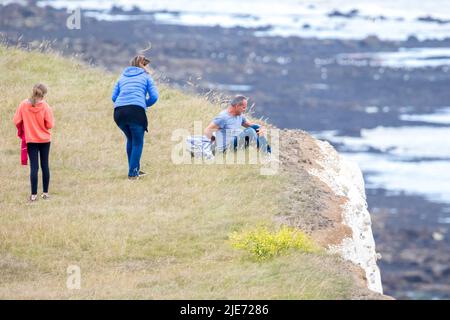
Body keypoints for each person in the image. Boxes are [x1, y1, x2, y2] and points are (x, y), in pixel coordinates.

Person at [112, 55, 158, 180]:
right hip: (136, 111)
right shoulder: (146, 77)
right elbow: (154, 97)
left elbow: (113, 97)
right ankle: (133, 174)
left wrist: (123, 103)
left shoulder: (122, 77)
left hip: (119, 112)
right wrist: (143, 104)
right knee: (138, 142)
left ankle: (134, 169)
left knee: (130, 140)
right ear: (143, 65)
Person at [13, 83, 54, 202]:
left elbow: (16, 120)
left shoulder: (23, 105)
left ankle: (33, 195)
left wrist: (26, 126)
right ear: (44, 94)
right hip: (45, 140)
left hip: (31, 139)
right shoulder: (46, 107)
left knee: (34, 167)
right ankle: (45, 193)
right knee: (45, 165)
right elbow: (50, 124)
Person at [204, 95, 270, 154]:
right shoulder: (223, 117)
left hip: (234, 144)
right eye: (243, 107)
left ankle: (268, 153)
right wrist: (214, 140)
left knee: (258, 128)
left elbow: (250, 125)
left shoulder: (239, 115)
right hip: (224, 149)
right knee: (250, 131)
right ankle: (265, 154)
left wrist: (261, 128)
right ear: (237, 106)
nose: (244, 110)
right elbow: (207, 130)